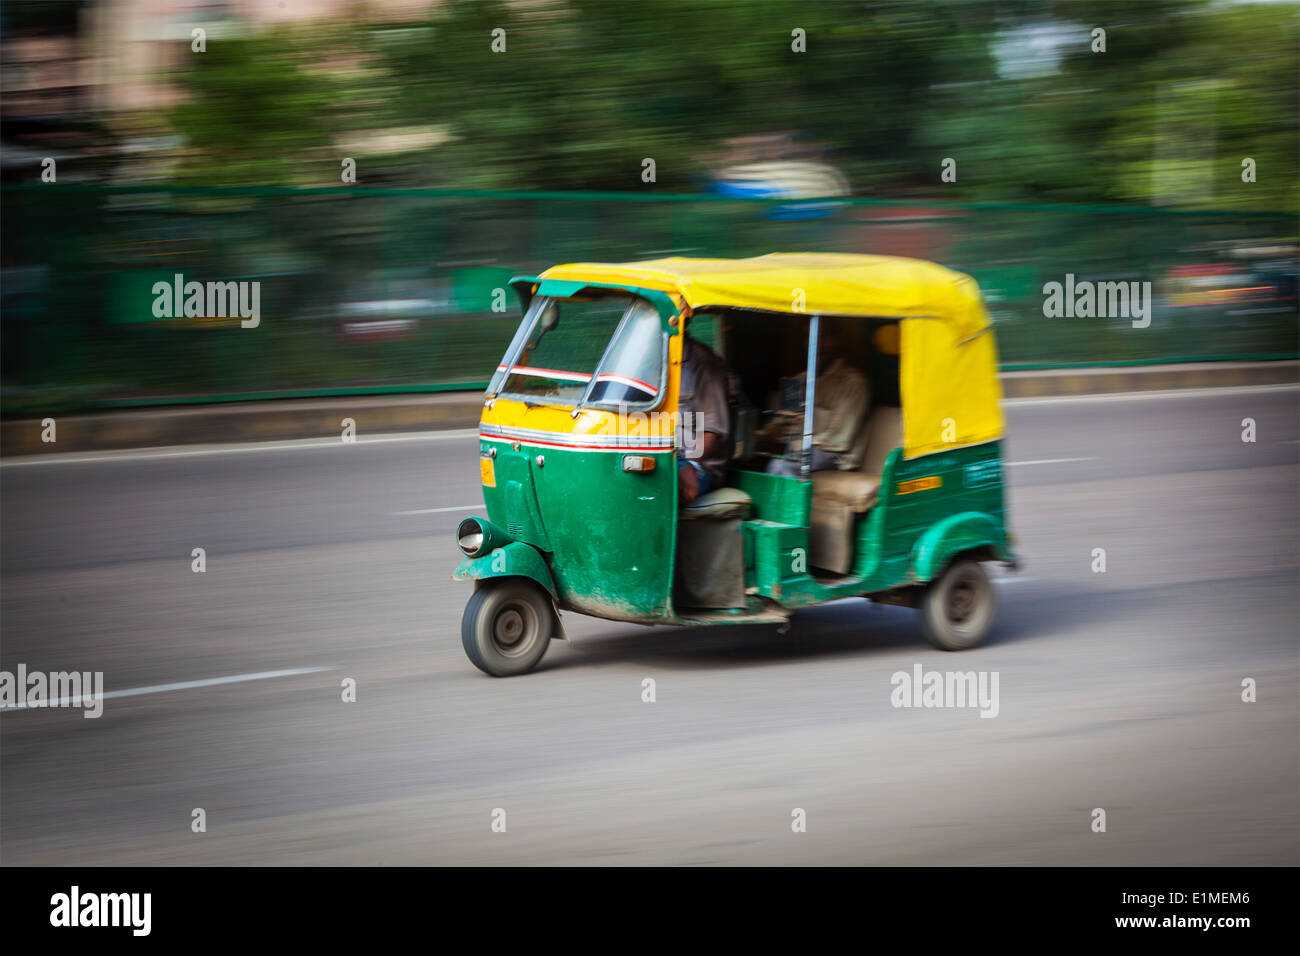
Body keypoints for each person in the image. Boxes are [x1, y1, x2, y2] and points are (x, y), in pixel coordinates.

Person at [763, 322, 869, 477]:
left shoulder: (853, 383)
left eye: (824, 336)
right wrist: (759, 437)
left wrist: (791, 445)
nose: (817, 344)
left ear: (837, 340)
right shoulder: (799, 380)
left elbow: (837, 441)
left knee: (780, 467)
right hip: (798, 449)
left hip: (834, 455)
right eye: (809, 337)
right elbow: (779, 426)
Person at [677, 332, 730, 503]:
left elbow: (712, 430)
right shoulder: (652, 360)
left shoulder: (703, 363)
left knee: (653, 489)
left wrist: (690, 465)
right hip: (664, 459)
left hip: (698, 465)